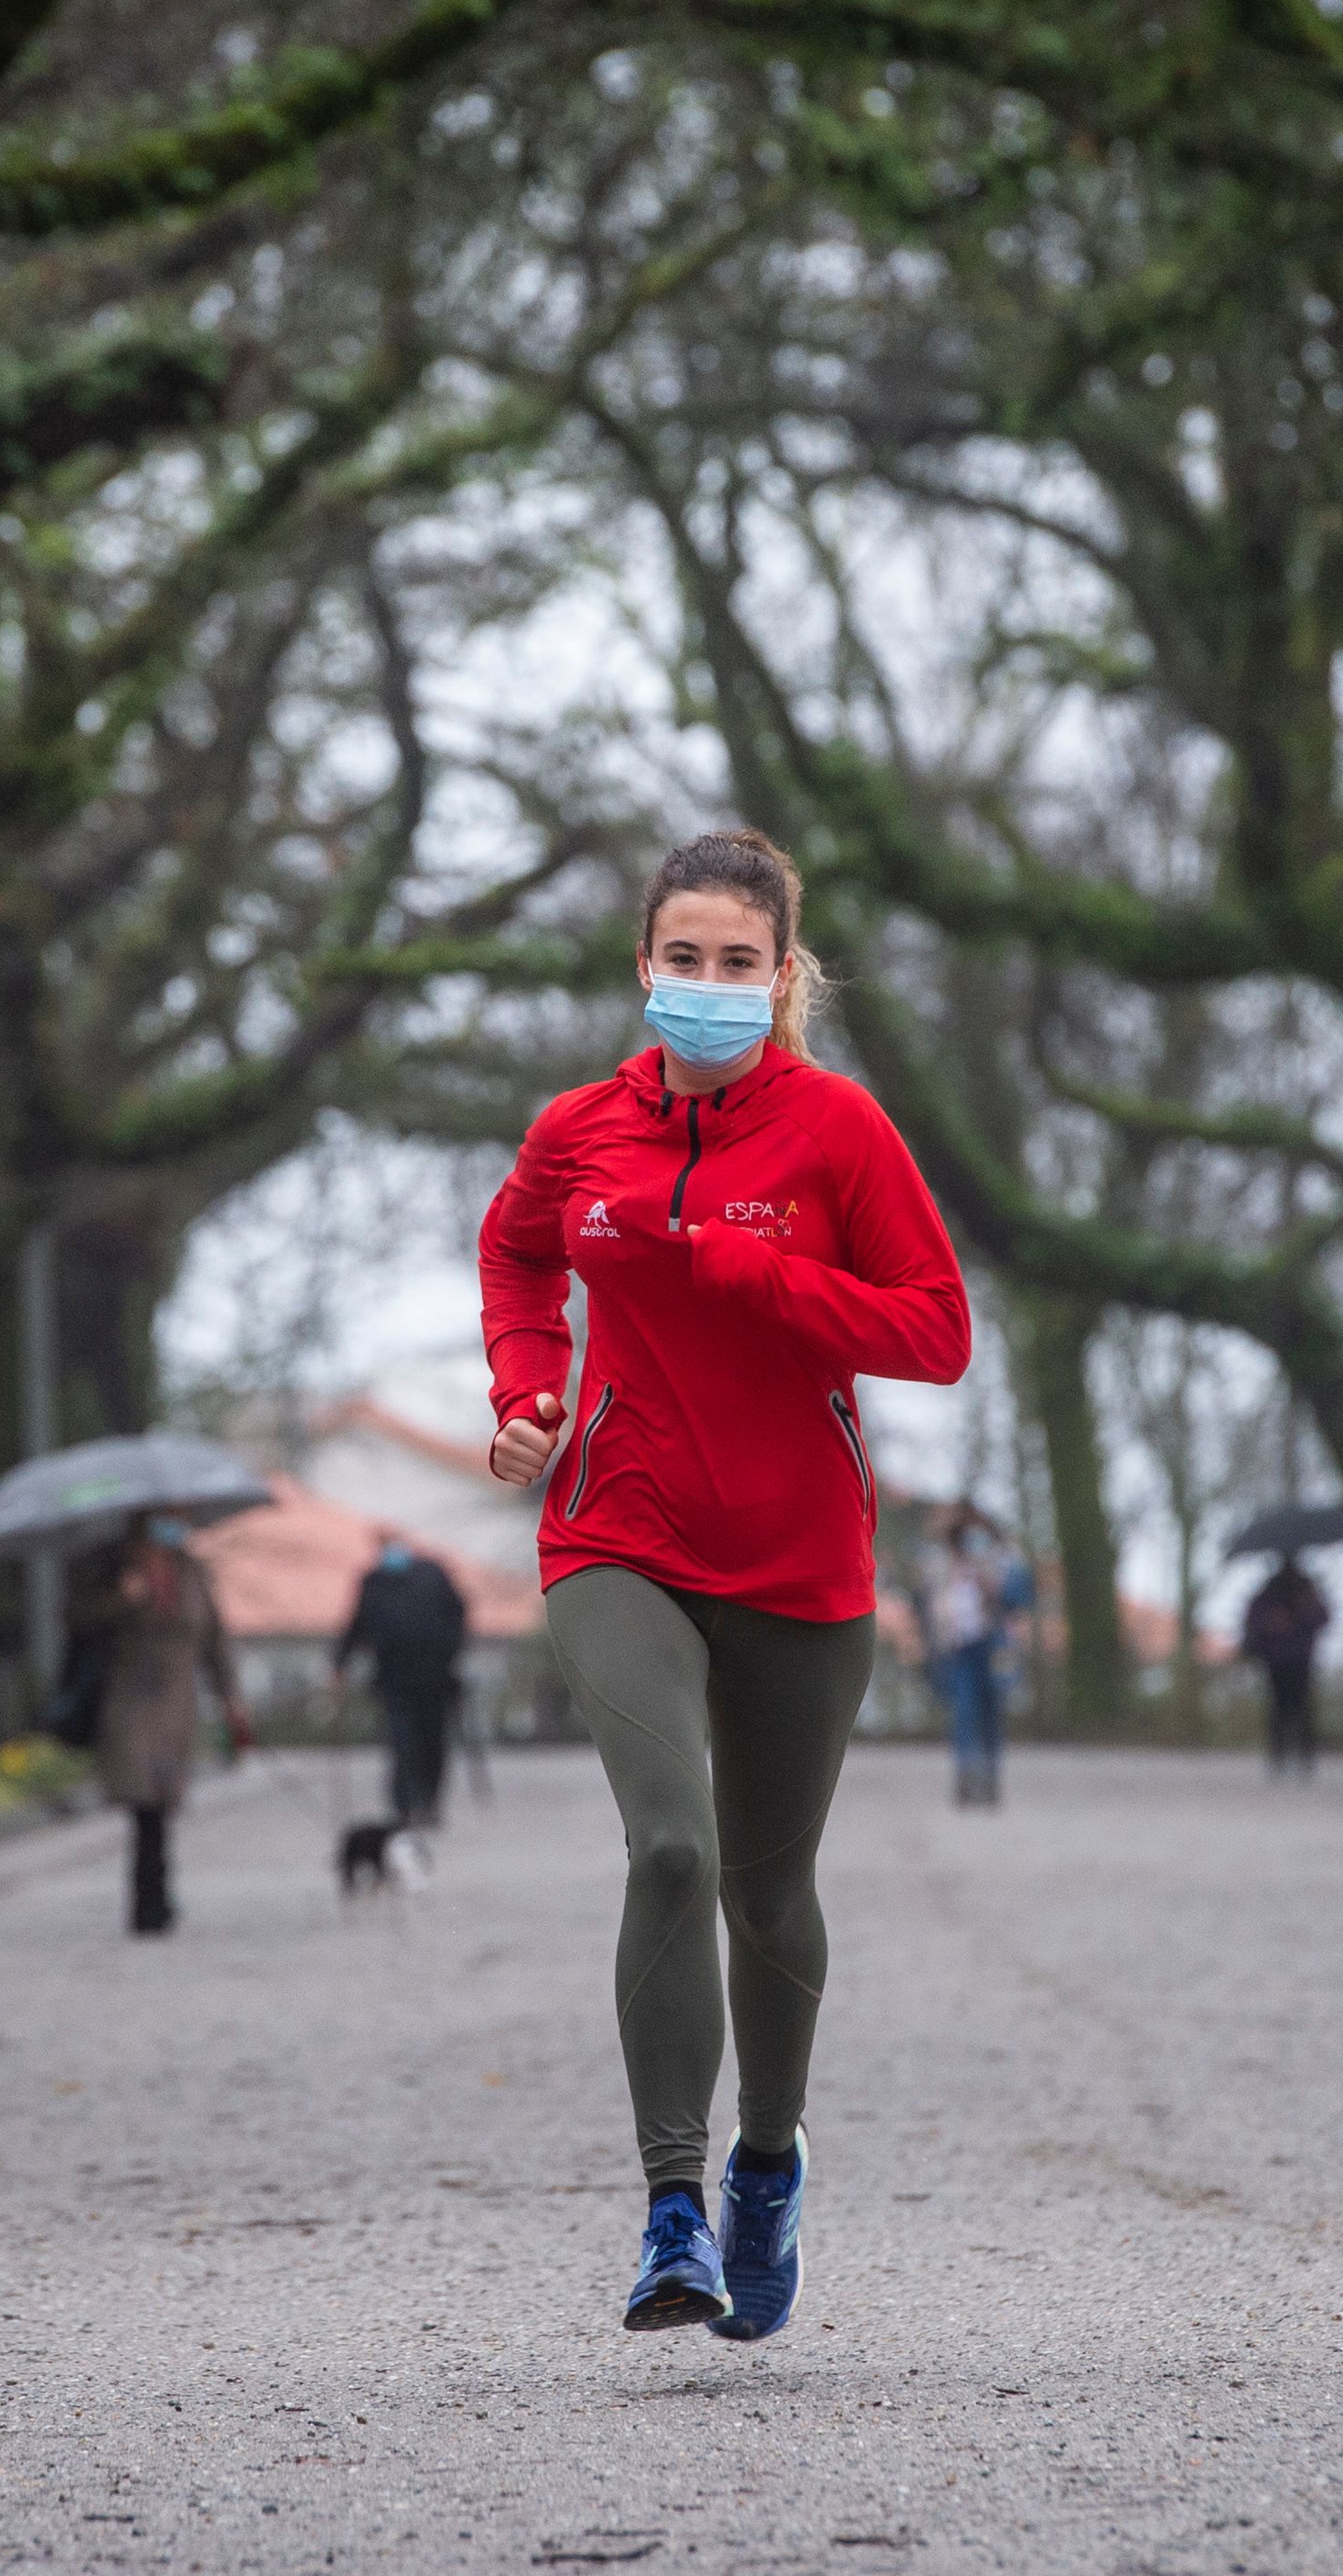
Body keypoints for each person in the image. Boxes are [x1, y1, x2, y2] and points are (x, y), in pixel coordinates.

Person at [479, 829, 971, 2342]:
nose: (705, 984)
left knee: (768, 1888)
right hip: (615, 1528)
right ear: (644, 966)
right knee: (671, 1854)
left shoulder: (835, 1133)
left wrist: (747, 1272)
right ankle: (672, 2206)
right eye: (680, 958)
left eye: (735, 962)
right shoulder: (579, 1130)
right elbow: (515, 1257)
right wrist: (526, 1389)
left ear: (778, 975)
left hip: (800, 1555)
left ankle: (768, 2164)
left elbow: (934, 1329)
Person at [95, 1516, 249, 1933]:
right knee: (143, 1799)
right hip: (132, 1699)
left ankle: (159, 1890)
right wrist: (122, 1599)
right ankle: (148, 1898)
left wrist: (230, 1696)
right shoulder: (116, 1569)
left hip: (178, 1704)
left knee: (163, 1800)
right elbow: (81, 1623)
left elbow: (215, 1639)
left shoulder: (194, 1572)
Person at [332, 1535, 472, 1828]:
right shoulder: (373, 1582)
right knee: (402, 1744)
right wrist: (339, 1662)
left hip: (436, 1678)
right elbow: (357, 1624)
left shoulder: (433, 1574)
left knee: (433, 1744)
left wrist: (454, 1651)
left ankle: (430, 1801)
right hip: (394, 1680)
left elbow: (458, 1613)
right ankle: (403, 1807)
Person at [918, 1517, 1007, 1808]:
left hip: (989, 1648)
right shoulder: (944, 1569)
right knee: (964, 1713)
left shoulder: (993, 1565)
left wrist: (984, 1574)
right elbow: (934, 1607)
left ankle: (991, 1781)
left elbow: (1007, 1599)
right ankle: (966, 1781)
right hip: (958, 1650)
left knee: (991, 1715)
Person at [1240, 1557, 1333, 1780]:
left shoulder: (1300, 1590)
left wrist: (1299, 1615)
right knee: (1286, 1709)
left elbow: (1322, 1618)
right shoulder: (1275, 1591)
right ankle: (1286, 1756)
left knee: (1294, 1709)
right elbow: (1255, 1622)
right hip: (1282, 1658)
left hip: (1295, 1658)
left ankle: (1297, 1756)